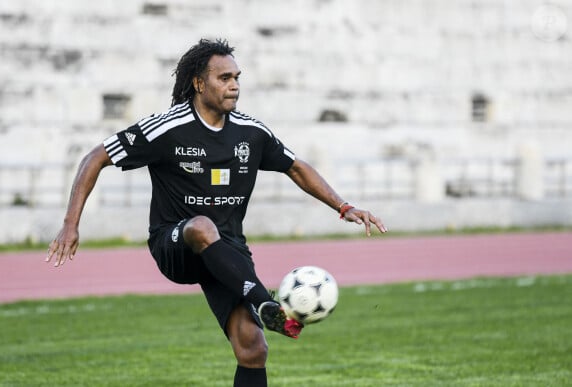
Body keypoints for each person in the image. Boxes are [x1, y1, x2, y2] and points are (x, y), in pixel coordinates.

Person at [46, 38, 387, 387]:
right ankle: (266, 304)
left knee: (253, 349)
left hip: (228, 253)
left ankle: (264, 310)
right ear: (198, 83)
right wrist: (70, 225)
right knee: (201, 225)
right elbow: (95, 157)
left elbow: (295, 167)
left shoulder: (251, 132)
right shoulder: (167, 128)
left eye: (237, 77)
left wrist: (344, 207)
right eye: (224, 78)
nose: (235, 85)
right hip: (175, 243)